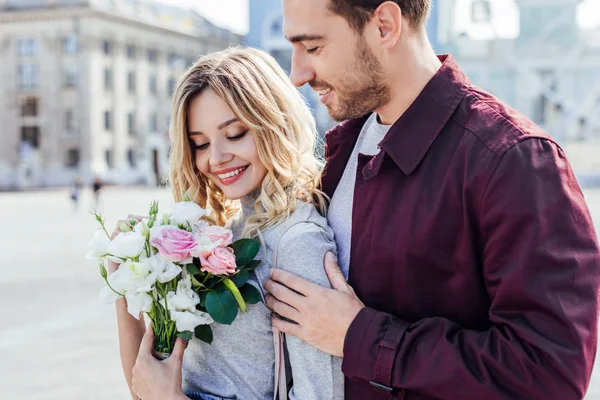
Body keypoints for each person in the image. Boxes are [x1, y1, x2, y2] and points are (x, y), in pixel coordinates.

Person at [264, 1, 600, 399]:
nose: (297, 75)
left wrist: (361, 337)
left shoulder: (514, 160)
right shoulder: (346, 148)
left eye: (314, 48)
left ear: (385, 26)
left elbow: (548, 378)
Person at [109, 47, 344, 400]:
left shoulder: (296, 243)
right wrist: (125, 279)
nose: (215, 159)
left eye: (234, 134)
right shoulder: (224, 231)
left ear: (275, 122)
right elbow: (146, 385)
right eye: (200, 143)